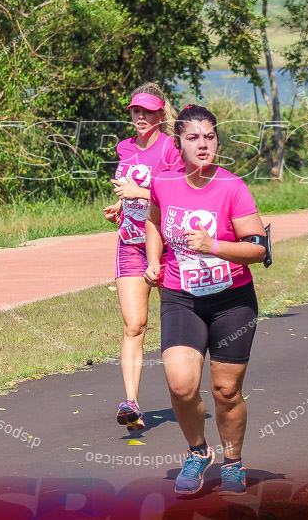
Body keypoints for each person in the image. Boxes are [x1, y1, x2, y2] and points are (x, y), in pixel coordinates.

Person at [143, 104, 268, 495]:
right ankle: (199, 453)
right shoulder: (163, 183)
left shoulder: (232, 186)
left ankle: (233, 461)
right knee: (181, 386)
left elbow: (259, 249)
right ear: (178, 142)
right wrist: (152, 261)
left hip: (232, 301)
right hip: (181, 298)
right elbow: (152, 220)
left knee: (225, 392)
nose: (203, 144)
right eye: (193, 137)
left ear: (217, 139)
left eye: (209, 136)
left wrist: (215, 245)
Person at [103, 83, 179, 431]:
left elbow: (179, 196)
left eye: (147, 111)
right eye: (135, 111)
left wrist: (140, 192)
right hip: (130, 242)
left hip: (169, 246)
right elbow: (129, 186)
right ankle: (131, 403)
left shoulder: (170, 149)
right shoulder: (124, 147)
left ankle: (183, 391)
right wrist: (121, 204)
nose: (139, 117)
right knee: (134, 325)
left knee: (177, 325)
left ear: (160, 115)